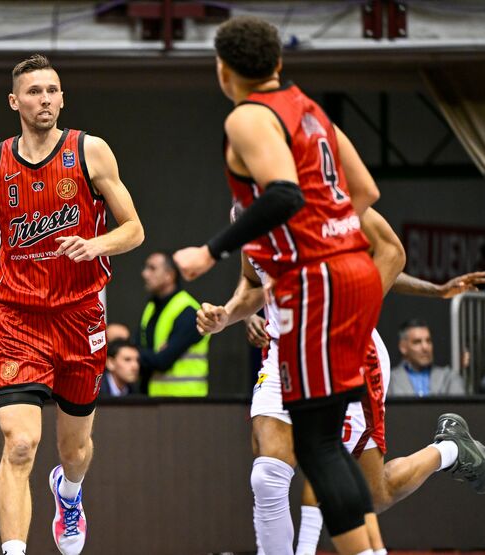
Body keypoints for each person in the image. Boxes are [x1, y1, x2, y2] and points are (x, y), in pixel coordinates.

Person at [173, 16, 386, 554]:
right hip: (350, 272)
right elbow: (364, 191)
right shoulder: (311, 110)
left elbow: (285, 194)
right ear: (279, 62)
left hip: (317, 283)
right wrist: (329, 233)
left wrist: (210, 250)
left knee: (318, 448)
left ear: (223, 71)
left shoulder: (248, 116)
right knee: (323, 445)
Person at [198, 208, 485, 555]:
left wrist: (351, 318)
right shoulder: (243, 209)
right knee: (267, 477)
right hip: (285, 354)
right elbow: (253, 281)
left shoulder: (318, 195)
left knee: (372, 495)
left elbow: (389, 253)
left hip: (346, 355)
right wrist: (228, 314)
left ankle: (450, 450)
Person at [0, 54, 144, 555]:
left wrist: (94, 245)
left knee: (74, 452)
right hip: (18, 317)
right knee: (19, 444)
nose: (45, 99)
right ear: (15, 102)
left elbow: (134, 229)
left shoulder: (90, 151)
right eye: (34, 92)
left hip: (80, 315)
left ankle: (68, 493)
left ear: (62, 98)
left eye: (52, 90)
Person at [136, 251, 209, 396]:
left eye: (152, 268)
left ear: (169, 275)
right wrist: (148, 354)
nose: (145, 274)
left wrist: (138, 354)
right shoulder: (151, 307)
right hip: (155, 397)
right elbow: (138, 344)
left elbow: (163, 360)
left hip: (185, 399)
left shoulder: (188, 311)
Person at [388, 319, 466, 397]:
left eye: (428, 341)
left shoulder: (448, 378)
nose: (425, 347)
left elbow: (458, 403)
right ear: (403, 347)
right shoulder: (389, 381)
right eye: (417, 342)